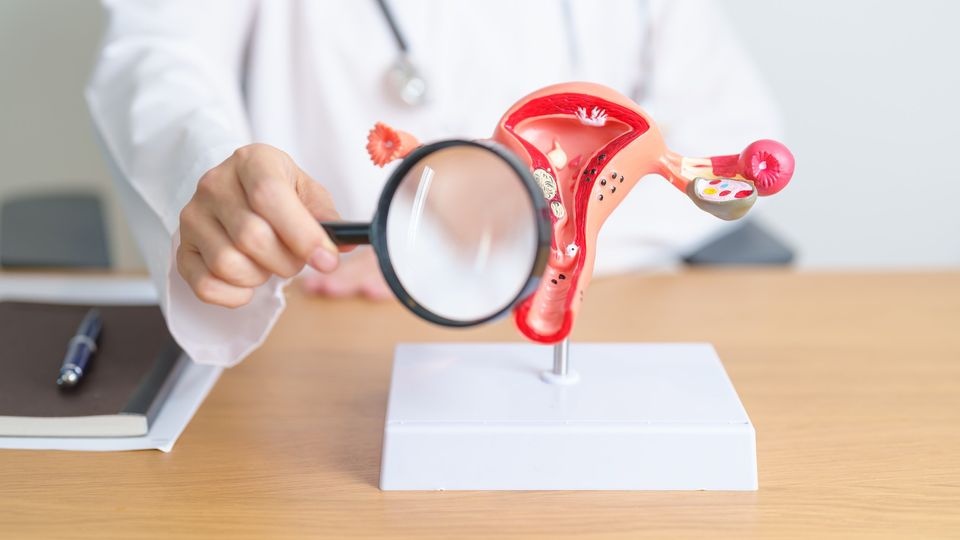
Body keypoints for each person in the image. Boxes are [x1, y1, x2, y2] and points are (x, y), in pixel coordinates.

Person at [86, 0, 781, 367]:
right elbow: (161, 57)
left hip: (623, 315)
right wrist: (207, 164)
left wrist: (515, 231)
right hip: (336, 327)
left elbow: (733, 130)